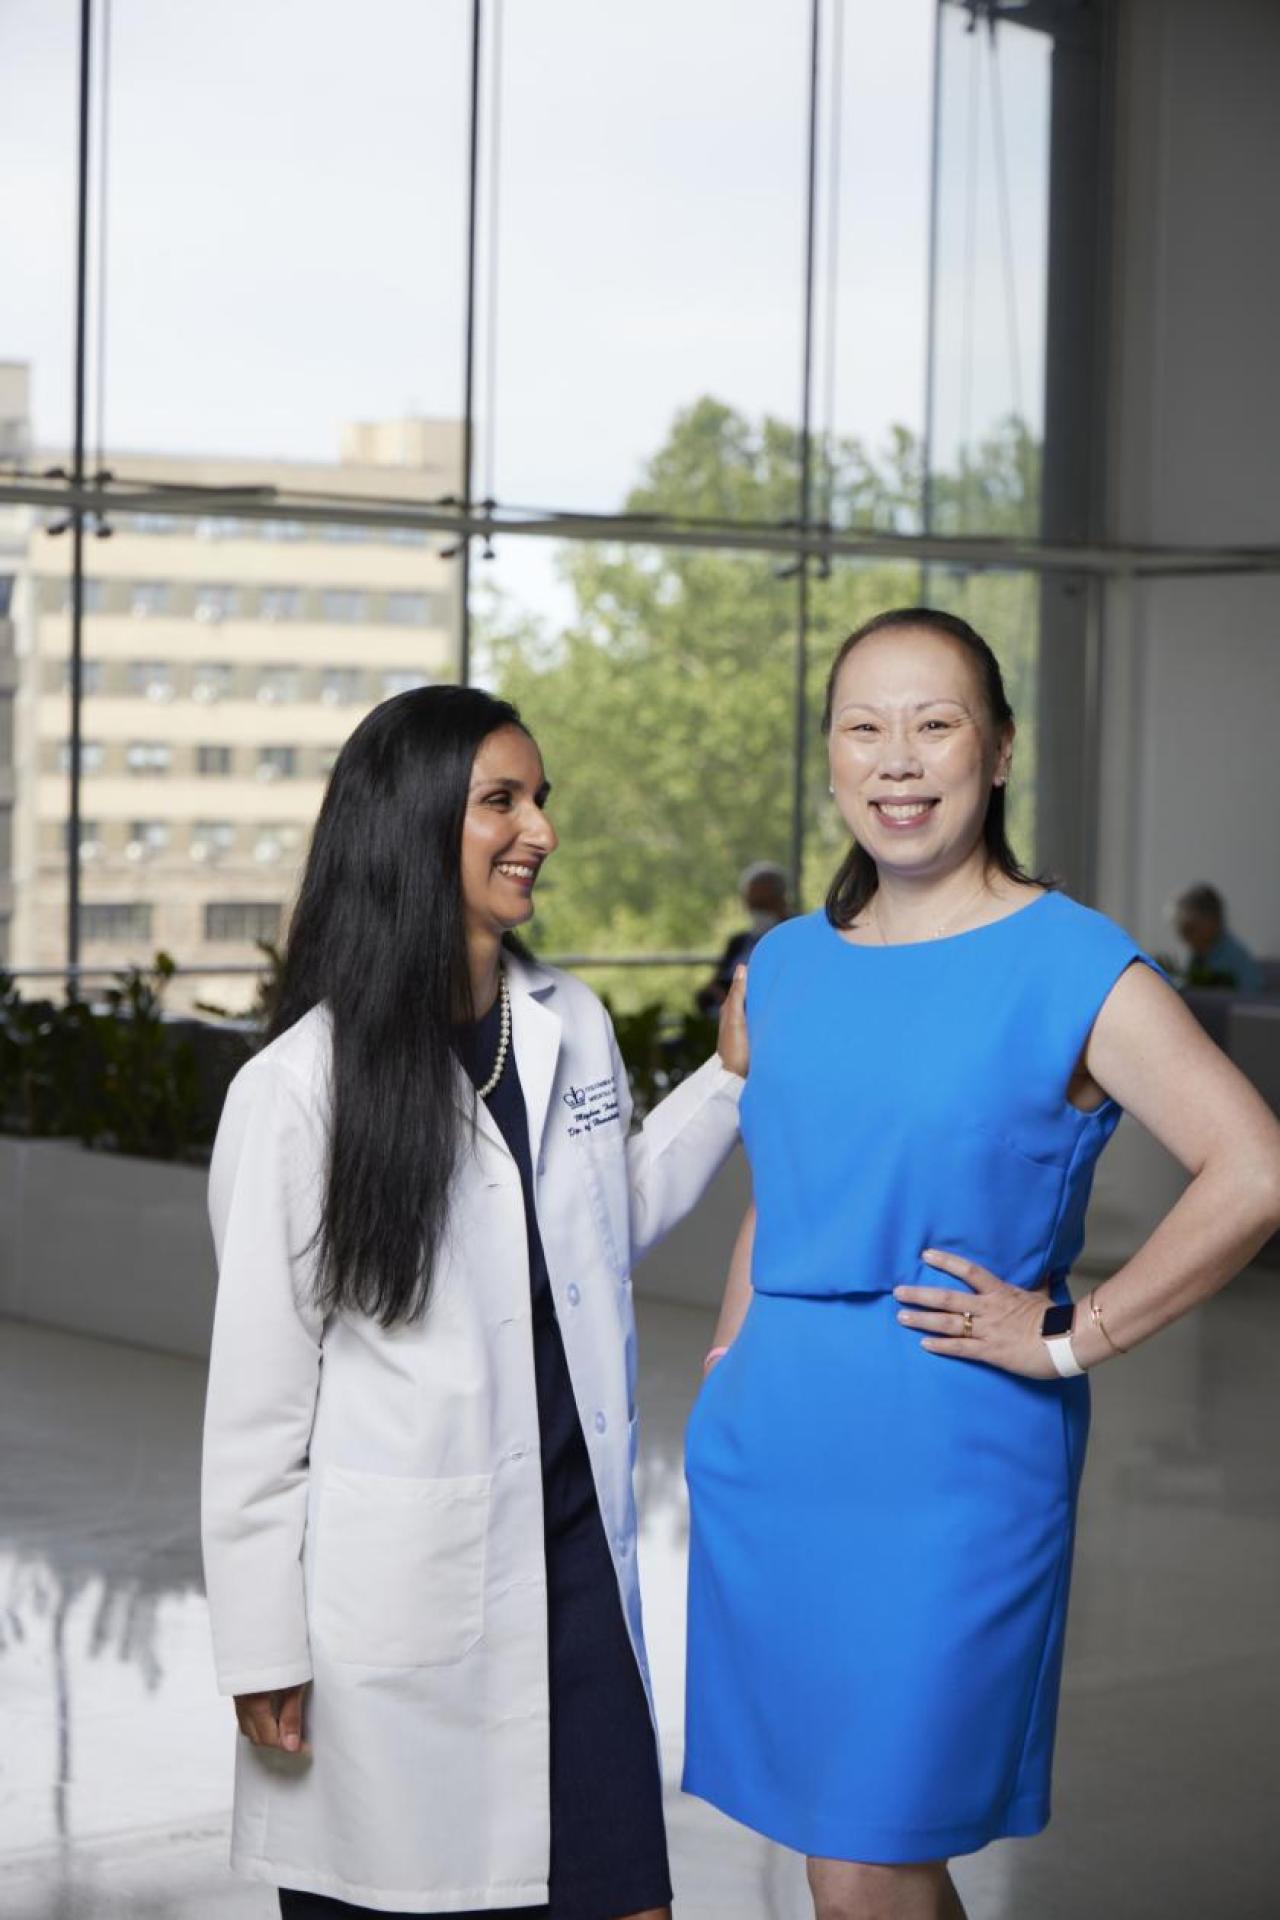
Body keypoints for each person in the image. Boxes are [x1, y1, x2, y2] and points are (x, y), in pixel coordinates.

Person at [682, 608, 1280, 1920]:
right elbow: (782, 1194)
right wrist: (726, 1366)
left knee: (863, 1865)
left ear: (999, 751)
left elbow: (1255, 1169)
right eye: (864, 727)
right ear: (832, 758)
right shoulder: (781, 968)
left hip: (954, 1452)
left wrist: (1079, 1333)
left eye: (935, 723)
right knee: (856, 1857)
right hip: (773, 1450)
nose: (898, 759)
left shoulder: (1069, 959)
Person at [201, 686, 749, 1920]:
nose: (538, 830)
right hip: (400, 1595)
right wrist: (259, 1647)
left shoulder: (568, 1025)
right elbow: (255, 1406)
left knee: (625, 1897)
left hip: (573, 1563)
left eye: (539, 799)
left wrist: (724, 1079)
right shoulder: (298, 1093)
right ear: (407, 829)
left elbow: (604, 1227)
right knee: (411, 1887)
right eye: (499, 801)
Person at [695, 861, 791, 1015]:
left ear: (781, 900)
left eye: (763, 904)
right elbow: (714, 986)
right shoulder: (739, 942)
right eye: (753, 905)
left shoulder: (796, 940)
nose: (758, 912)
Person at [1171, 881, 1264, 992]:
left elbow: (1252, 998)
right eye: (1182, 932)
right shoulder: (1199, 957)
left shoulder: (1234, 957)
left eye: (1190, 929)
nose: (1185, 939)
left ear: (1213, 921)